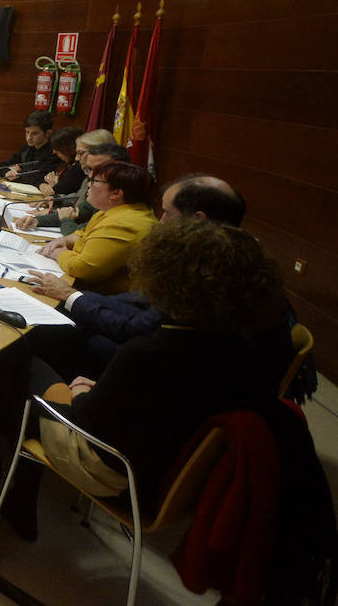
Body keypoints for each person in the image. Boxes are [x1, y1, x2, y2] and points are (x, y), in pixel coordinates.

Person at [17, 219, 296, 537]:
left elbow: (84, 419)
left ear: (166, 279)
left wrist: (82, 391)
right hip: (164, 473)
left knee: (21, 358)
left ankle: (18, 493)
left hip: (114, 473)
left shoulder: (148, 352)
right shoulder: (243, 349)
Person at [25, 174, 261, 383]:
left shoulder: (208, 275)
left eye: (167, 212)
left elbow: (139, 329)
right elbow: (137, 303)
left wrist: (71, 297)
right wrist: (73, 298)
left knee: (35, 338)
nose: (160, 221)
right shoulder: (227, 257)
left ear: (198, 220)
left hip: (154, 373)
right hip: (152, 353)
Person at [37, 160, 157, 293]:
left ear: (116, 193)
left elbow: (82, 269)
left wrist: (58, 253)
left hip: (103, 297)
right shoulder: (112, 211)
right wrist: (64, 240)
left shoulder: (123, 224)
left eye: (94, 181)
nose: (88, 184)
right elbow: (83, 234)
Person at [1, 109, 58, 185]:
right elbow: (2, 166)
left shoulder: (54, 152)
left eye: (34, 134)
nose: (29, 138)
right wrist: (7, 172)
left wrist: (19, 172)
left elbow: (38, 177)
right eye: (27, 132)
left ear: (47, 133)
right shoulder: (27, 148)